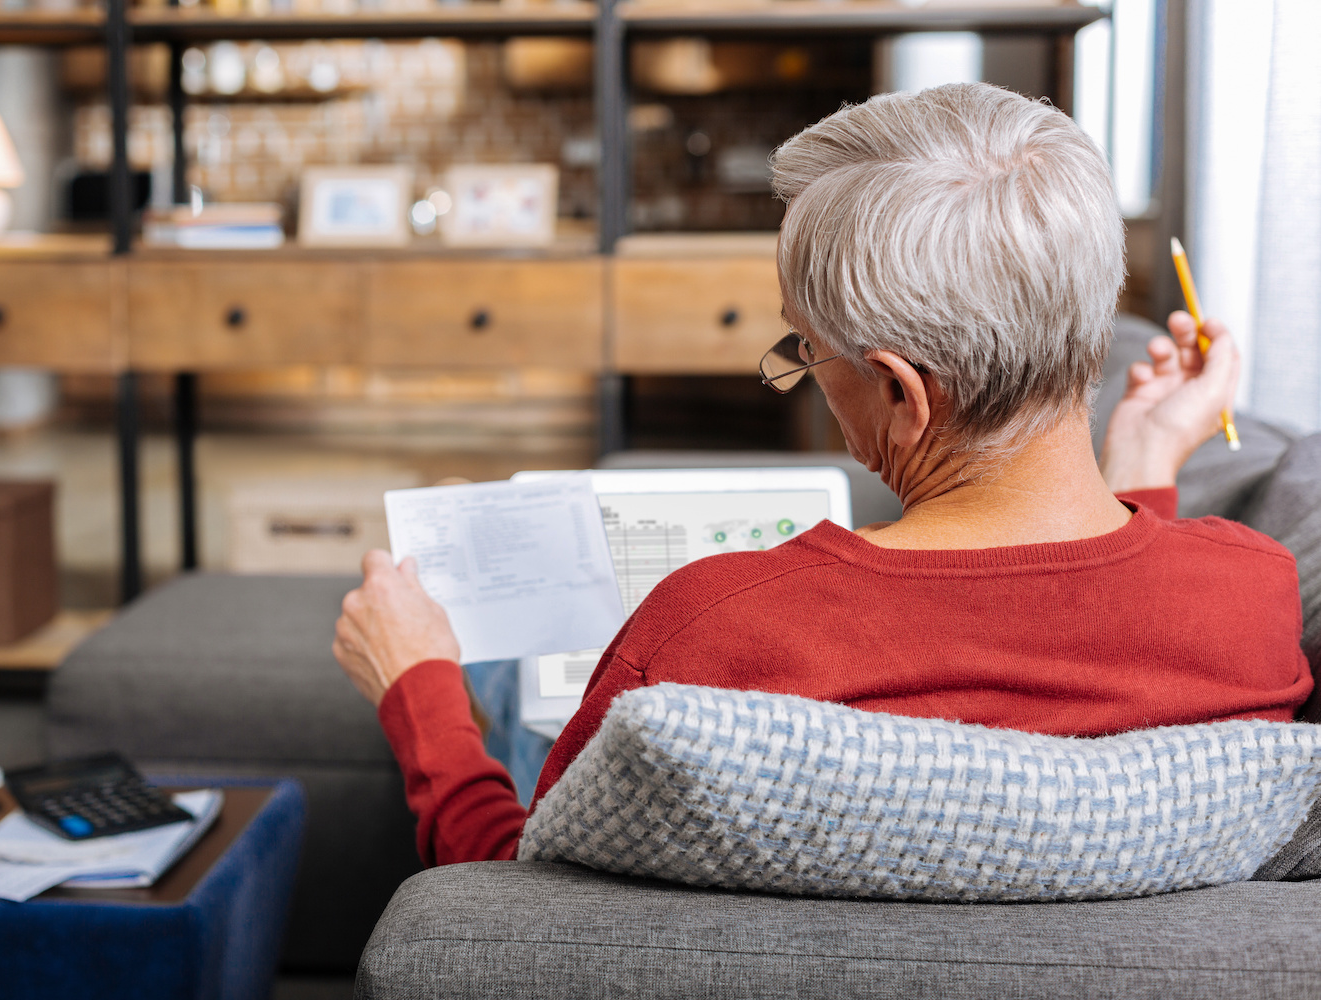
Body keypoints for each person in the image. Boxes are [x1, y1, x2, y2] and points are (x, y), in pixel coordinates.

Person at [332, 83, 1313, 867]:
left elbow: (519, 894)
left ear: (900, 393)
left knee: (497, 691)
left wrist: (418, 688)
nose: (803, 371)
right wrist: (1140, 470)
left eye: (806, 347)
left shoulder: (712, 635)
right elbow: (1104, 639)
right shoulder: (1253, 598)